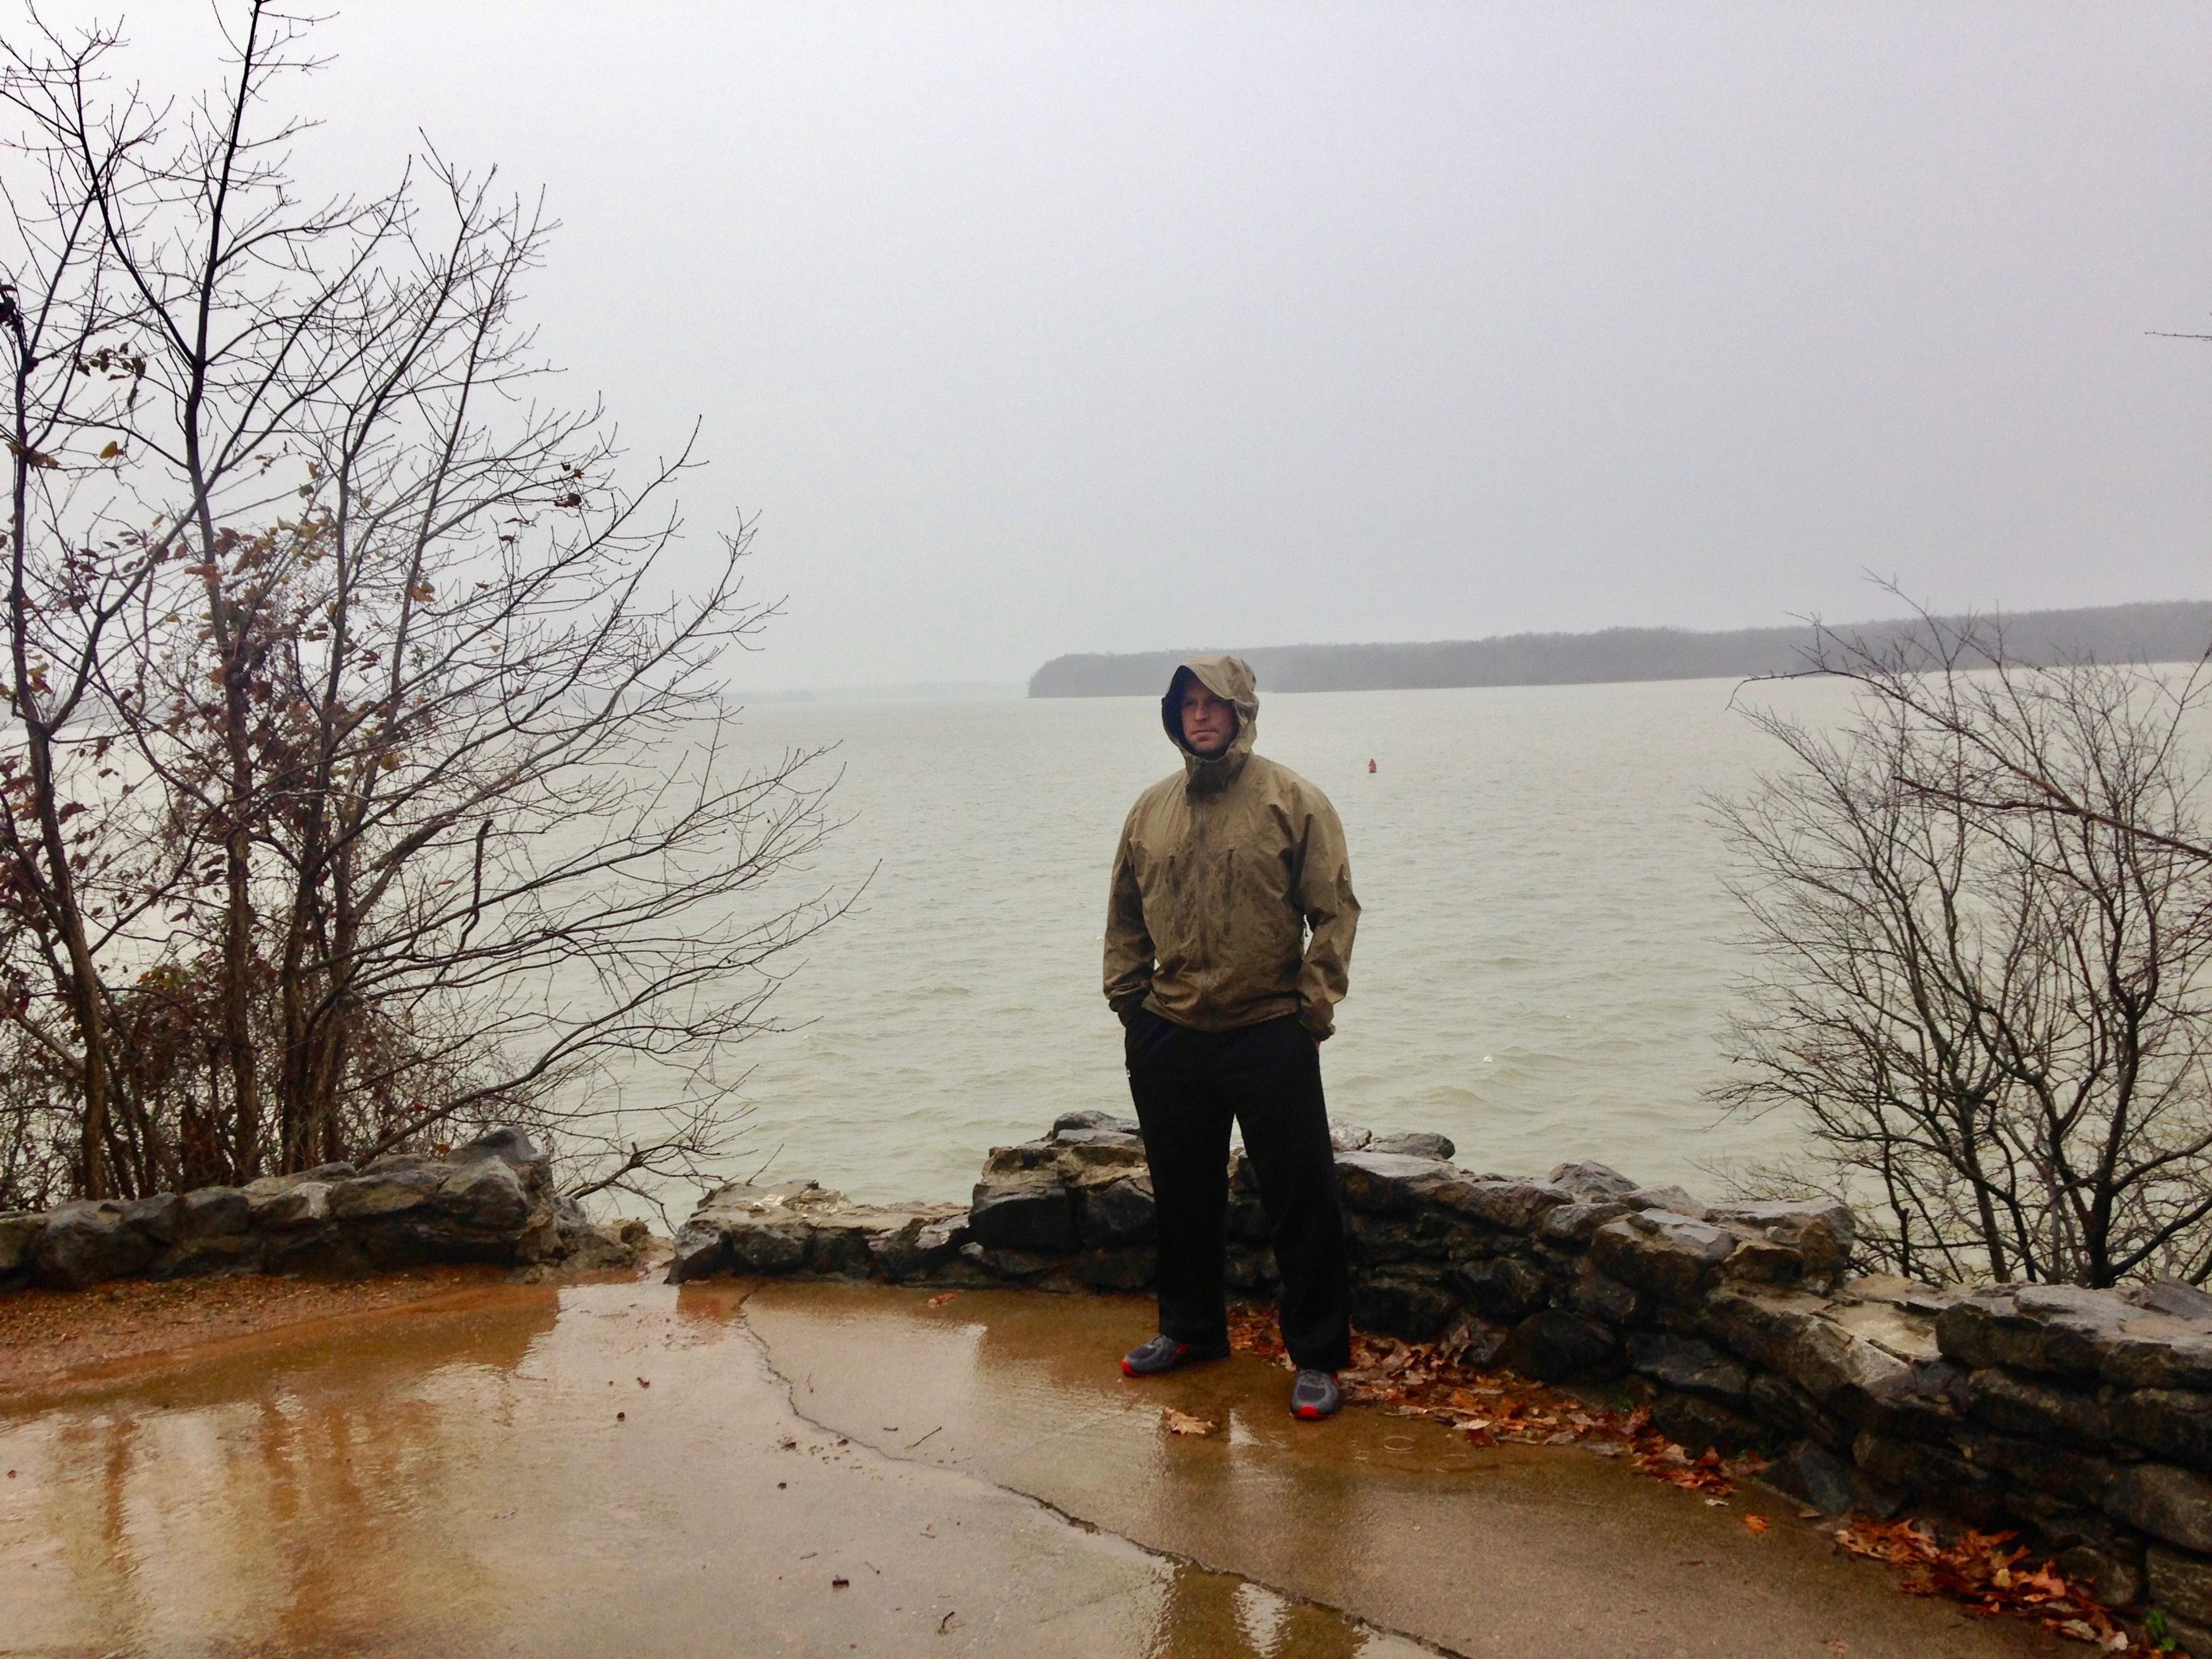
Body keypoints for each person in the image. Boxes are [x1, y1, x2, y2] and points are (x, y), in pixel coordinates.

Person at [1103, 654, 1359, 1420]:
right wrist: (1130, 1003)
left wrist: (1310, 1009)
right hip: (1170, 1033)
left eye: (1214, 702)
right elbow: (1123, 915)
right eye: (1188, 703)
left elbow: (1335, 913)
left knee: (1300, 1198)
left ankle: (1317, 1358)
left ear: (1242, 709)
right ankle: (1191, 1332)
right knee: (1183, 1196)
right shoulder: (1151, 809)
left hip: (1267, 1031)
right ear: (1174, 716)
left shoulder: (1292, 800)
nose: (1201, 715)